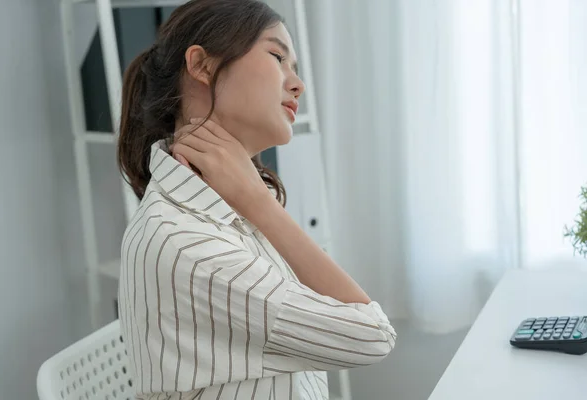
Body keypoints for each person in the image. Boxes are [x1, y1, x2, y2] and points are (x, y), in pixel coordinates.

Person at [116, 0, 396, 398]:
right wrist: (260, 205)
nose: (297, 84)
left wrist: (254, 200)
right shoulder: (188, 244)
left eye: (295, 67)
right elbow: (372, 337)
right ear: (203, 66)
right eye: (277, 56)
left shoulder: (227, 203)